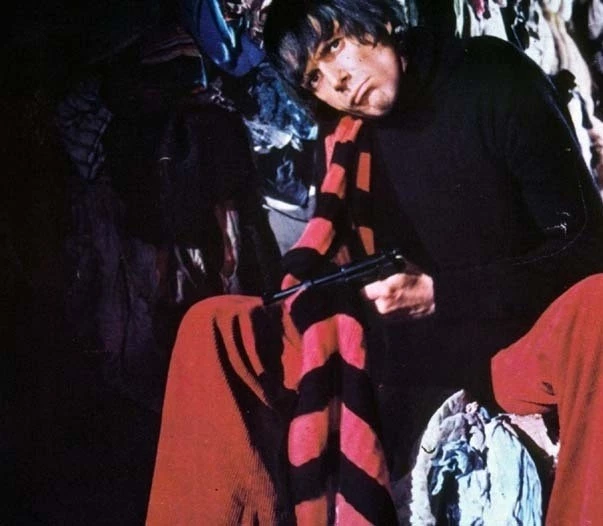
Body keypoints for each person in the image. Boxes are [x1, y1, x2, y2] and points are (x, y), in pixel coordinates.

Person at [147, 1, 603, 524]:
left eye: (334, 45)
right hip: (401, 361)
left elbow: (586, 251)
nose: (337, 81)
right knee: (216, 325)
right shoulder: (347, 142)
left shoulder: (492, 77)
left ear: (378, 18)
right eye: (314, 77)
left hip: (510, 351)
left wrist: (444, 293)